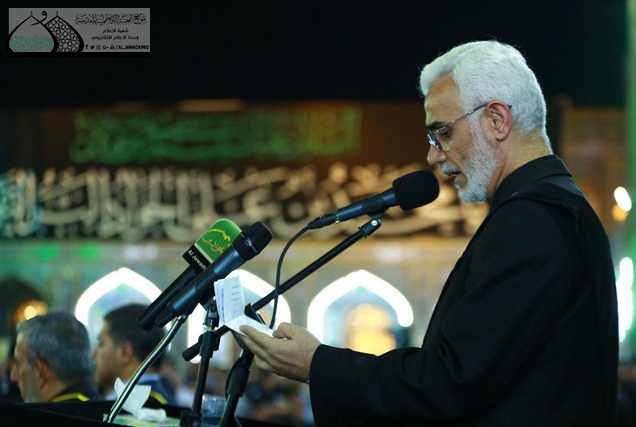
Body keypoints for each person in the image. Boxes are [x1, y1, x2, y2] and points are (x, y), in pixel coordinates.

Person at [239, 40, 618, 426]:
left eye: (444, 133)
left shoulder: (533, 219)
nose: (434, 156)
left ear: (496, 120)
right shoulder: (554, 207)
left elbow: (452, 382)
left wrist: (317, 364)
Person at [93, 304, 178, 406]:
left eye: (101, 343)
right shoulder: (163, 402)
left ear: (125, 353)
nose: (94, 353)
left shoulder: (132, 408)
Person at [10, 312, 101, 403]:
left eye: (18, 364)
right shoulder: (103, 407)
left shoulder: (49, 413)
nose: (13, 376)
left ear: (41, 373)